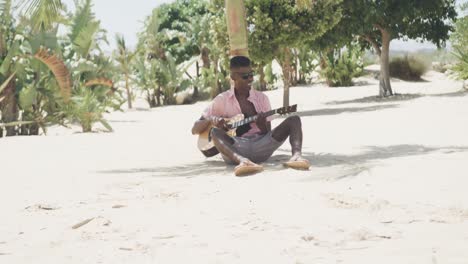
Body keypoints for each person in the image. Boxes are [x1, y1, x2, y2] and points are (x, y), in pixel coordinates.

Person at [191, 56, 310, 176]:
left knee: (294, 120)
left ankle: (296, 156)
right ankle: (243, 162)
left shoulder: (262, 98)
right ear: (233, 77)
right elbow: (195, 129)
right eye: (245, 76)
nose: (250, 79)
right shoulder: (222, 100)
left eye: (251, 75)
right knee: (215, 132)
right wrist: (211, 120)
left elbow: (267, 133)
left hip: (262, 146)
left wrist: (262, 125)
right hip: (235, 149)